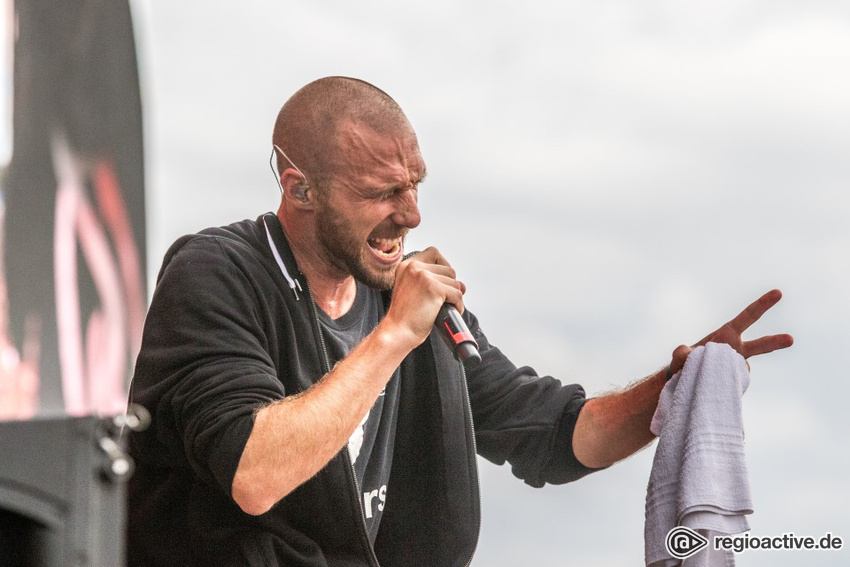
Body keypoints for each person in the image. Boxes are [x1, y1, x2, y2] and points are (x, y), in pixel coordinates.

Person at [126, 76, 793, 567]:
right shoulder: (218, 272)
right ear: (299, 188)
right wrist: (394, 335)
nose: (411, 214)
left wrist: (680, 385)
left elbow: (558, 436)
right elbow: (255, 473)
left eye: (415, 183)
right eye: (382, 191)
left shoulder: (421, 308)